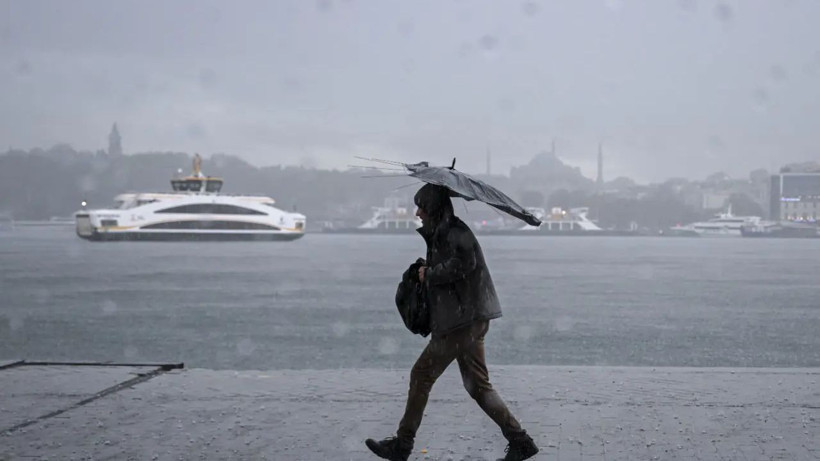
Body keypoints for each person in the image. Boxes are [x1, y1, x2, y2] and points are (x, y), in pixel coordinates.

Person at [366, 184, 539, 461]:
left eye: (422, 206)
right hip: (470, 318)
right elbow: (457, 265)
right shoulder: (446, 231)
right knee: (479, 386)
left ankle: (402, 445)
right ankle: (521, 441)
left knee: (421, 375)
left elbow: (463, 265)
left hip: (460, 322)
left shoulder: (454, 232)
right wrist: (428, 267)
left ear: (433, 207)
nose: (418, 212)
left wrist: (429, 274)